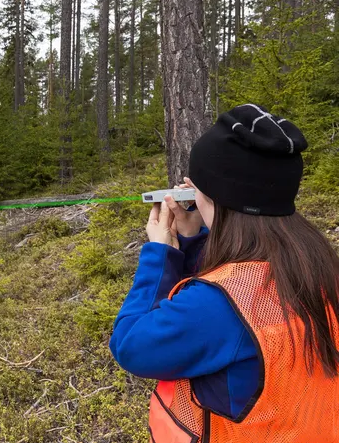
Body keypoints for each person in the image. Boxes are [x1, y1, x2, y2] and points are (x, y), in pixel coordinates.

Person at [109, 104, 339, 442]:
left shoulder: (219, 305)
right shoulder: (318, 262)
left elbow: (132, 346)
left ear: (213, 197)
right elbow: (242, 288)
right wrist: (192, 241)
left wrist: (161, 255)